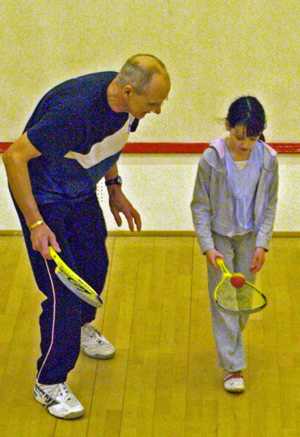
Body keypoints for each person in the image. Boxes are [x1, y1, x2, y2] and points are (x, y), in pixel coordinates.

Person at [3, 54, 171, 419]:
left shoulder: (129, 108)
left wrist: (113, 186)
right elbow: (14, 158)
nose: (157, 111)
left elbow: (111, 140)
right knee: (64, 291)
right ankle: (48, 382)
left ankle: (80, 327)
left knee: (95, 265)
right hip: (45, 198)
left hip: (79, 190)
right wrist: (35, 224)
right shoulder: (75, 112)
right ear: (128, 91)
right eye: (153, 104)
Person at [191, 96, 278, 393]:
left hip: (250, 238)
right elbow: (200, 206)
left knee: (242, 303)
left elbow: (269, 205)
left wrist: (262, 244)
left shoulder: (269, 160)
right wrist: (207, 246)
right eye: (239, 136)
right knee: (225, 301)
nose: (245, 144)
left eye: (252, 137)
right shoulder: (211, 160)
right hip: (219, 239)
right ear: (228, 126)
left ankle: (232, 345)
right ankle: (233, 367)